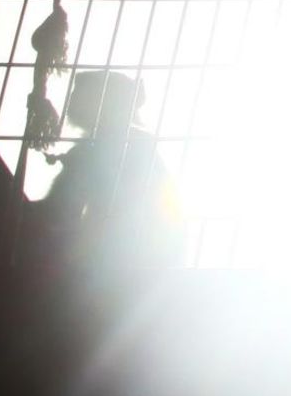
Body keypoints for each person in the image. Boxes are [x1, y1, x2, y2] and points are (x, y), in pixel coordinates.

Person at [35, 70, 183, 267]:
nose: (72, 99)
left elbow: (56, 208)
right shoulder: (137, 142)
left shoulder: (100, 147)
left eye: (79, 92)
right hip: (147, 256)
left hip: (122, 254)